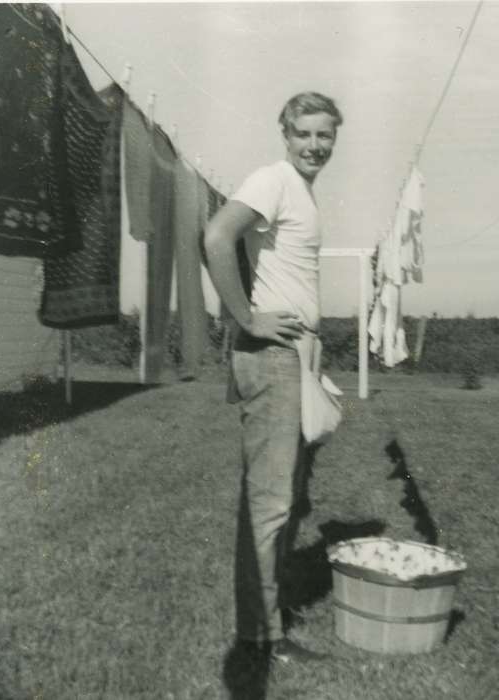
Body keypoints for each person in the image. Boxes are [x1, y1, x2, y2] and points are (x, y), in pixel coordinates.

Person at [204, 92, 343, 663]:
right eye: (304, 134)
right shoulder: (274, 179)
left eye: (325, 136)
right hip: (272, 356)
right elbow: (216, 236)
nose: (315, 145)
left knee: (286, 497)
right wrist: (247, 318)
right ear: (284, 134)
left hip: (297, 355)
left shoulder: (302, 191)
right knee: (270, 503)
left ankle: (269, 617)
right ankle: (260, 638)